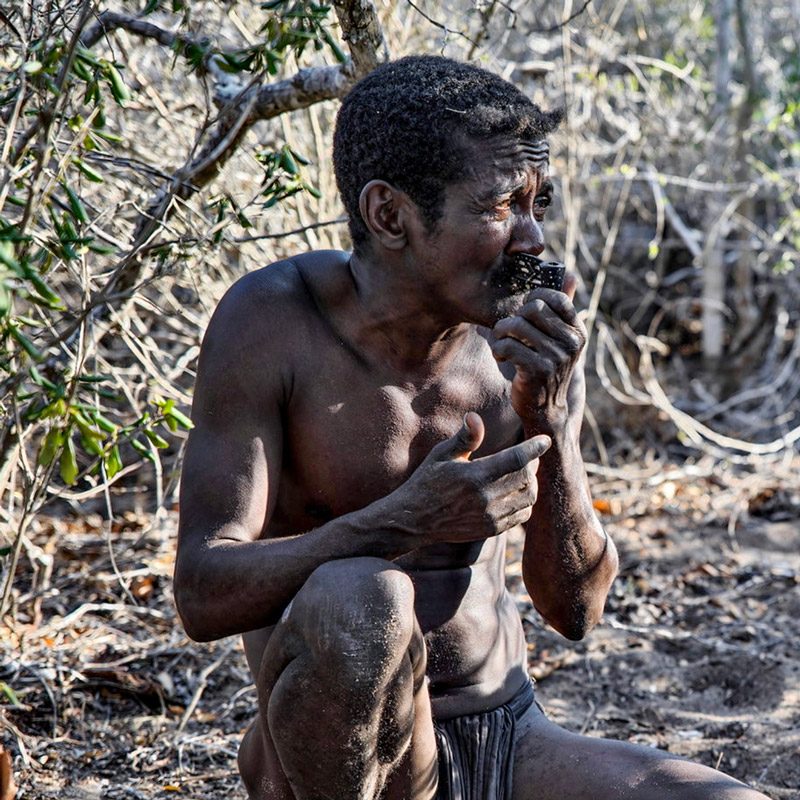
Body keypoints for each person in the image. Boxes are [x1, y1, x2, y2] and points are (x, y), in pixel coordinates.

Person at [174, 56, 768, 800]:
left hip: (506, 738)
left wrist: (548, 417)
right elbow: (201, 592)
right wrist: (399, 522)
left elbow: (576, 611)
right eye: (499, 208)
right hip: (340, 763)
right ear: (390, 215)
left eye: (538, 203)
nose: (533, 242)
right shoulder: (275, 323)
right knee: (365, 601)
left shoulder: (523, 331)